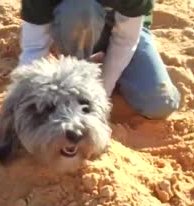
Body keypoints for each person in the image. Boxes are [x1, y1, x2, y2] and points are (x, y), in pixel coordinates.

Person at [19, 0, 181, 119]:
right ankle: (76, 76)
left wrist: (102, 93)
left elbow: (126, 40)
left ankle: (96, 68)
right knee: (80, 9)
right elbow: (34, 47)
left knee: (159, 104)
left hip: (127, 28)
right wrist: (25, 100)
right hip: (72, 20)